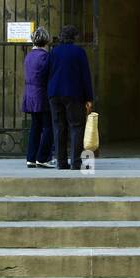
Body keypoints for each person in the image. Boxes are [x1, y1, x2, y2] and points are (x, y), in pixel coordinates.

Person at [46, 24, 94, 170]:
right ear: (74, 37)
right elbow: (85, 76)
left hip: (54, 94)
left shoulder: (54, 51)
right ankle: (75, 162)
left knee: (59, 127)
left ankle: (61, 162)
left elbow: (48, 72)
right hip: (73, 93)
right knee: (76, 126)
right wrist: (89, 98)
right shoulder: (79, 52)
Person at [22, 27, 54, 169]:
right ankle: (42, 157)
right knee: (48, 127)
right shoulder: (45, 56)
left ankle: (31, 157)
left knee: (35, 127)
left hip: (30, 93)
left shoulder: (29, 56)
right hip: (42, 94)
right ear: (46, 40)